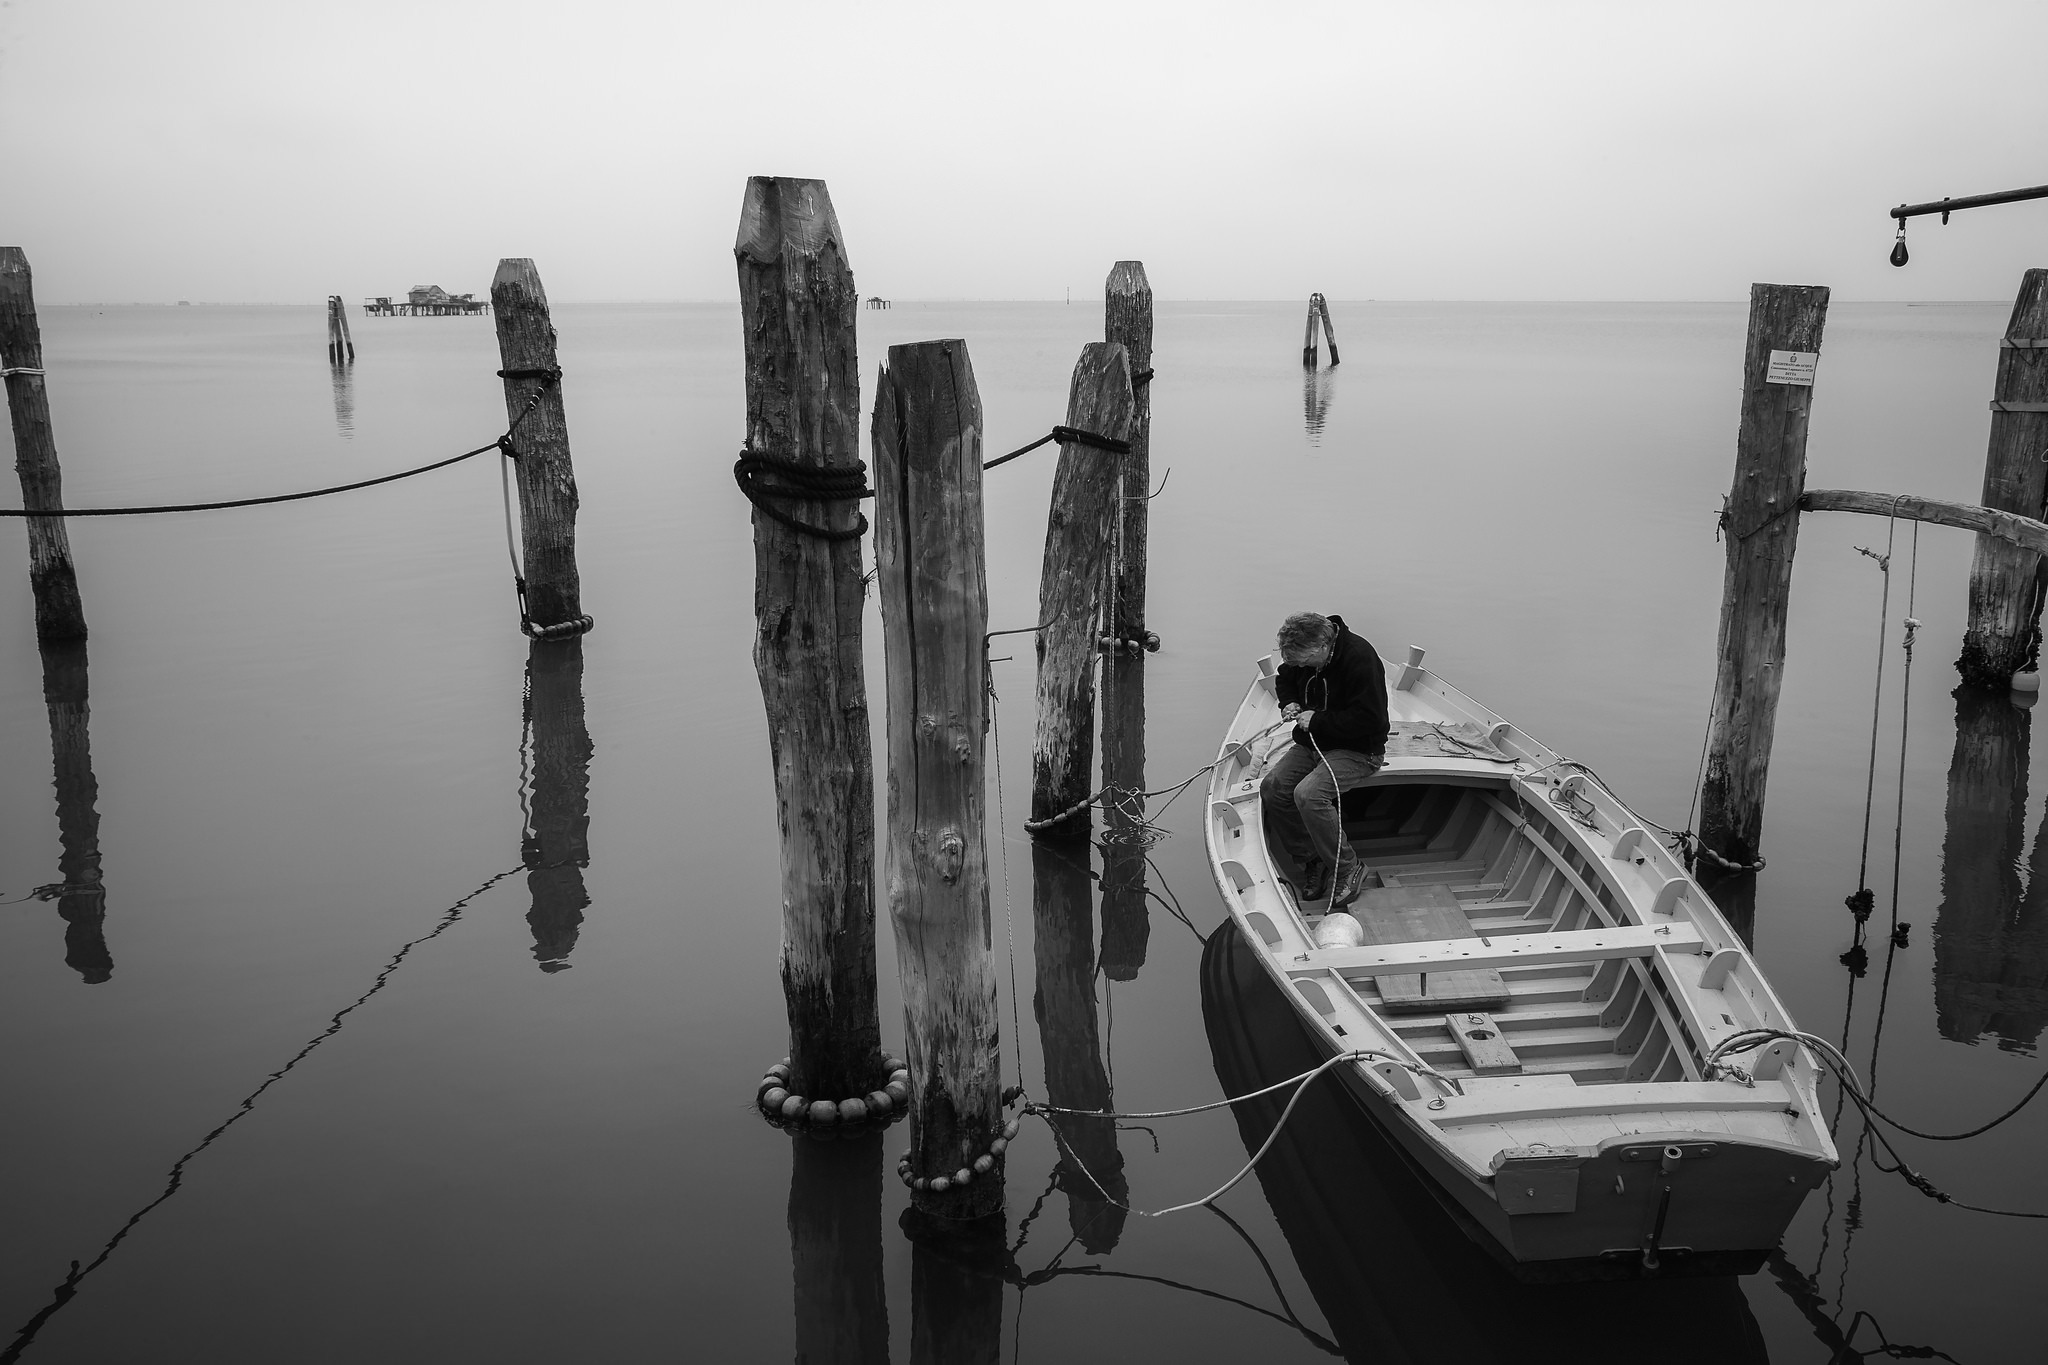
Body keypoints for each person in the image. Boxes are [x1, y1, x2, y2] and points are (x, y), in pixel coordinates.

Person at [1262, 611, 1389, 909]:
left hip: (1359, 750)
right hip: (1313, 745)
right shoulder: (1307, 655)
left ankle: (1347, 867)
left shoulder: (1360, 658)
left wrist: (1317, 721)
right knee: (1273, 788)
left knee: (1308, 794)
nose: (1301, 666)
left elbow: (1371, 721)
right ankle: (1312, 859)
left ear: (1322, 646)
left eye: (1305, 661)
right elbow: (1285, 677)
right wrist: (1290, 701)